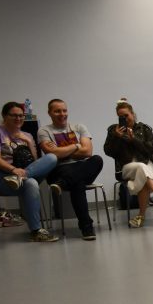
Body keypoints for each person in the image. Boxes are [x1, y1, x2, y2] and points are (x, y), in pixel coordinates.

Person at [0, 101, 59, 242]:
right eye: (14, 115)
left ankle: (20, 178)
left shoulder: (27, 135)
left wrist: (28, 142)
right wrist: (13, 169)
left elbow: (34, 161)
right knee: (32, 183)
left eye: (21, 115)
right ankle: (36, 231)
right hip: (1, 175)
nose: (18, 118)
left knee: (52, 157)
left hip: (22, 175)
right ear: (4, 116)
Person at [37, 99, 103, 240]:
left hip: (80, 168)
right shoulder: (44, 131)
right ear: (49, 113)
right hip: (58, 171)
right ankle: (87, 228)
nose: (62, 114)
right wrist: (76, 146)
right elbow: (52, 154)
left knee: (97, 159)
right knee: (78, 183)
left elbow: (88, 152)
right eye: (57, 111)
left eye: (64, 110)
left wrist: (61, 151)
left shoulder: (79, 127)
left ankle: (63, 184)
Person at [104, 99, 153, 229]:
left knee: (143, 174)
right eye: (121, 117)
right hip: (126, 168)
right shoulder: (113, 131)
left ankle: (140, 217)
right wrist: (116, 138)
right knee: (142, 168)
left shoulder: (144, 128)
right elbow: (108, 151)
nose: (125, 119)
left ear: (133, 114)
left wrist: (134, 140)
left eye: (126, 115)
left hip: (145, 165)